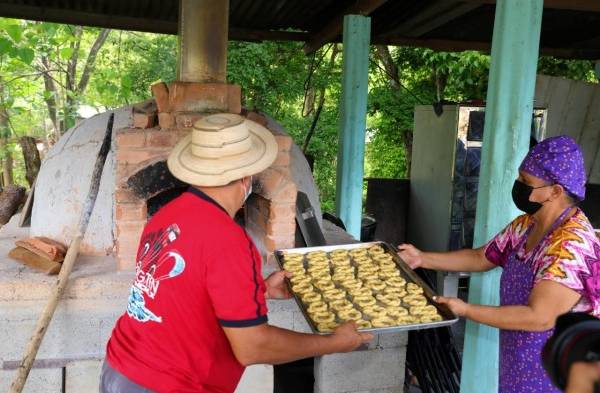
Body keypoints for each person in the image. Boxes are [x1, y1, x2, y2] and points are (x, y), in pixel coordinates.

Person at [100, 113, 372, 393]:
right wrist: (334, 343)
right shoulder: (228, 240)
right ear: (246, 177)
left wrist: (257, 290)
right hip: (168, 384)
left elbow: (178, 289)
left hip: (119, 368)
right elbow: (252, 347)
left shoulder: (164, 216)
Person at [398, 135, 600, 392]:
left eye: (527, 182)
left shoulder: (570, 246)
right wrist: (422, 258)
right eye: (519, 178)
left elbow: (539, 318)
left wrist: (465, 309)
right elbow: (482, 257)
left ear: (556, 191)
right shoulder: (528, 224)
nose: (518, 185)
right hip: (519, 357)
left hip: (559, 369)